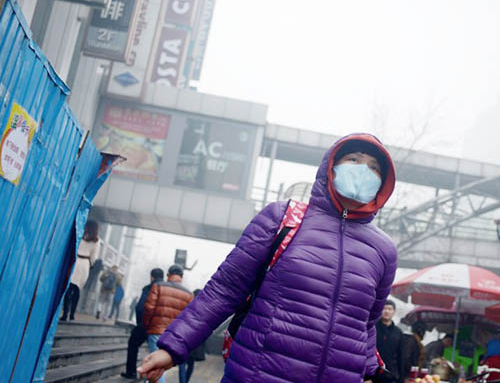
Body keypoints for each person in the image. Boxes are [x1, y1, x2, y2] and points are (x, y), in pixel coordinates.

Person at [138, 133, 398, 383]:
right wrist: (173, 347)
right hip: (256, 373)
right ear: (331, 166)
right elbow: (224, 290)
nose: (363, 170)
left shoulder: (384, 251)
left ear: (382, 183)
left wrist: (374, 371)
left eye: (374, 168)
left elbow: (365, 325)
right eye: (354, 159)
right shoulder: (282, 219)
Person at [142, 264, 194, 383]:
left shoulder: (158, 286)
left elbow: (149, 308)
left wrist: (147, 325)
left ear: (169, 275)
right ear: (181, 276)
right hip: (175, 335)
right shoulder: (189, 294)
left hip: (156, 330)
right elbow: (188, 318)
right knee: (159, 368)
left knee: (156, 366)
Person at [121, 268, 164, 380]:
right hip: (160, 327)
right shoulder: (166, 288)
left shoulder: (149, 288)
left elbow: (140, 307)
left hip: (146, 324)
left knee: (133, 344)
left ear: (152, 277)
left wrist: (141, 323)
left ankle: (131, 372)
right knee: (156, 353)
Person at [61, 220, 99, 321]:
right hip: (85, 264)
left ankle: (65, 314)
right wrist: (91, 265)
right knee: (77, 290)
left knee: (69, 288)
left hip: (76, 261)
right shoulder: (96, 240)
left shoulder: (80, 234)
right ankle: (72, 314)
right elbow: (94, 256)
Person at [178, 289, 206, 383]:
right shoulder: (205, 308)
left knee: (182, 362)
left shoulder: (189, 306)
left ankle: (183, 381)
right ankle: (186, 381)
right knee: (191, 363)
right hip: (196, 341)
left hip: (186, 338)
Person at [376, 300, 405, 383]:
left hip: (391, 375)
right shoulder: (373, 329)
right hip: (373, 374)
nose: (387, 311)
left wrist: (401, 378)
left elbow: (401, 356)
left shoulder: (398, 333)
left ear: (394, 311)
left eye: (389, 309)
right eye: (384, 308)